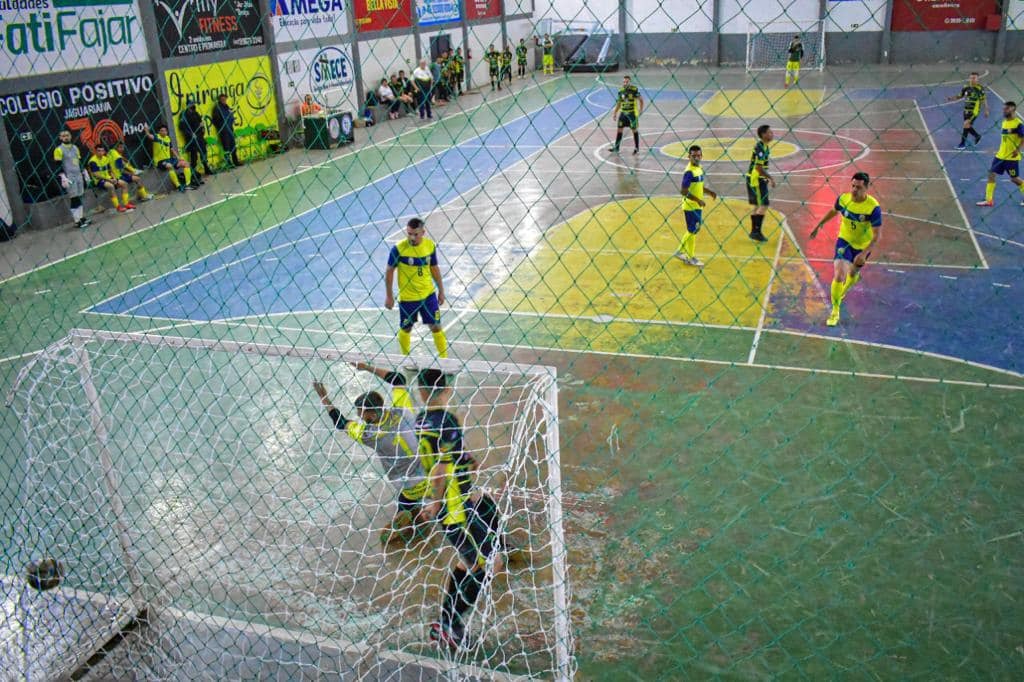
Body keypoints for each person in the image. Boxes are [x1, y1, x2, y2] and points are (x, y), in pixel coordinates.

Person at [415, 369, 504, 651]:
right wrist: (438, 501)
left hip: (453, 501)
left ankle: (446, 621)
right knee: (490, 563)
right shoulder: (447, 420)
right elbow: (442, 467)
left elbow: (450, 457)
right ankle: (449, 623)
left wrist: (467, 461)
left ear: (420, 391)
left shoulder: (420, 421)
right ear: (446, 391)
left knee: (466, 562)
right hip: (455, 505)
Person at [313, 362, 432, 546]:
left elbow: (341, 422)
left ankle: (409, 518)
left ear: (373, 414)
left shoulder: (371, 435)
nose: (360, 416)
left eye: (361, 413)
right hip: (433, 471)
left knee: (405, 501)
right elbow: (398, 379)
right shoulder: (403, 410)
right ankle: (429, 507)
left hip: (409, 485)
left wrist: (325, 399)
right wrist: (367, 367)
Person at [809, 172, 882, 327]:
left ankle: (844, 290)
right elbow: (833, 211)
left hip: (862, 246)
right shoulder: (844, 199)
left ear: (867, 188)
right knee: (839, 274)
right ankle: (835, 311)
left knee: (853, 274)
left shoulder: (873, 207)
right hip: (844, 242)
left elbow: (876, 236)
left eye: (859, 187)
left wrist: (863, 253)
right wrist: (819, 224)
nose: (854, 190)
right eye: (853, 186)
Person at [385, 217, 448, 357]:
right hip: (408, 298)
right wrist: (389, 296)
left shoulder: (430, 246)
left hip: (428, 296)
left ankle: (444, 360)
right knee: (406, 328)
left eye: (415, 234)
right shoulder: (398, 249)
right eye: (409, 233)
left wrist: (441, 291)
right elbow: (389, 271)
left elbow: (434, 268)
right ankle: (405, 358)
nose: (412, 237)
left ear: (423, 232)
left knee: (436, 326)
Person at [674, 145, 718, 267]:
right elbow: (683, 190)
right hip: (690, 206)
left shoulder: (699, 168)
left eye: (699, 156)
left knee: (694, 229)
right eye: (694, 156)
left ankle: (680, 251)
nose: (697, 158)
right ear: (689, 157)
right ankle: (690, 257)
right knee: (693, 230)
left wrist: (709, 192)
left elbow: (699, 186)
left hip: (696, 206)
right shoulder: (689, 172)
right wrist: (698, 200)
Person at [976, 101, 1024, 207]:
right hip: (1000, 155)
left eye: (1006, 109)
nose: (1003, 110)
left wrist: (1018, 149)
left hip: (1011, 157)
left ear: (1012, 109)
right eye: (1003, 109)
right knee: (991, 175)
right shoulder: (1004, 122)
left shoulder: (1018, 124)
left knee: (1014, 179)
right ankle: (989, 200)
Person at [52, 129, 90, 228]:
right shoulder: (59, 150)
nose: (66, 137)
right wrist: (63, 176)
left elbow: (79, 160)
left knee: (80, 195)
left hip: (78, 175)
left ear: (70, 136)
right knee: (74, 197)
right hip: (69, 176)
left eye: (67, 135)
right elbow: (57, 165)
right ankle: (77, 220)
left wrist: (84, 171)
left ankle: (81, 217)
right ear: (60, 138)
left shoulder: (75, 147)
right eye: (63, 136)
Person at [145, 123, 196, 192]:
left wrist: (178, 157)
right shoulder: (156, 137)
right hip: (160, 161)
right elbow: (149, 136)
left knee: (186, 164)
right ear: (159, 132)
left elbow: (172, 149)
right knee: (169, 166)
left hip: (169, 159)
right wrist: (146, 130)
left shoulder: (168, 138)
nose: (164, 132)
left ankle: (188, 185)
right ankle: (178, 186)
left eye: (165, 131)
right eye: (162, 131)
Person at [746, 124, 775, 243]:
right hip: (756, 179)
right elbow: (758, 168)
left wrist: (766, 177)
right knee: (764, 204)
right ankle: (756, 232)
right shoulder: (760, 148)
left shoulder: (765, 146)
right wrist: (770, 178)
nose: (772, 134)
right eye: (769, 132)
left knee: (758, 205)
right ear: (763, 135)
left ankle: (754, 232)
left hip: (758, 178)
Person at [87, 143, 133, 213]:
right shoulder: (92, 161)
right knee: (111, 186)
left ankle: (126, 204)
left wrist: (114, 178)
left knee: (124, 184)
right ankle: (118, 207)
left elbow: (110, 170)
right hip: (99, 180)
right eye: (99, 151)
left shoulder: (106, 159)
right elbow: (96, 174)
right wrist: (109, 180)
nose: (101, 153)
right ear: (95, 151)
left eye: (102, 151)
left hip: (109, 178)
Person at [947, 72, 988, 150]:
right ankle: (977, 136)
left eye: (974, 78)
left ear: (977, 79)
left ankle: (963, 144)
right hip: (966, 111)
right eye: (971, 78)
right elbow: (960, 96)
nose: (972, 80)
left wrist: (986, 110)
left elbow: (984, 99)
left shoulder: (980, 88)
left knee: (966, 125)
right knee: (966, 127)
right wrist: (951, 98)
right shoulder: (966, 87)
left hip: (974, 111)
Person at [608, 75, 643, 155]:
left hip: (632, 114)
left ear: (630, 82)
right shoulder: (621, 91)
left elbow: (641, 100)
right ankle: (616, 148)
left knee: (634, 130)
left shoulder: (634, 90)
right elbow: (619, 103)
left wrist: (641, 110)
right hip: (623, 113)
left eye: (627, 82)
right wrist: (615, 113)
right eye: (624, 82)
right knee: (619, 129)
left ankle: (636, 148)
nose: (625, 83)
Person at [179, 98, 211, 178]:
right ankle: (193, 172)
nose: (193, 105)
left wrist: (202, 127)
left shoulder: (195, 113)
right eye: (191, 104)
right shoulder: (184, 115)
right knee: (194, 156)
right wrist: (190, 134)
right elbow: (182, 127)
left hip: (199, 137)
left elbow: (200, 122)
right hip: (192, 139)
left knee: (203, 152)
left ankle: (206, 168)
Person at [211, 94, 241, 168]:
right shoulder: (217, 108)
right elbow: (215, 120)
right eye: (222, 99)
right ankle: (229, 163)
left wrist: (232, 121)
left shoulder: (226, 107)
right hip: (224, 130)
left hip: (230, 129)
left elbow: (230, 115)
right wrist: (221, 126)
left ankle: (235, 161)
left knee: (233, 145)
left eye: (225, 99)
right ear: (220, 100)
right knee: (226, 147)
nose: (224, 101)